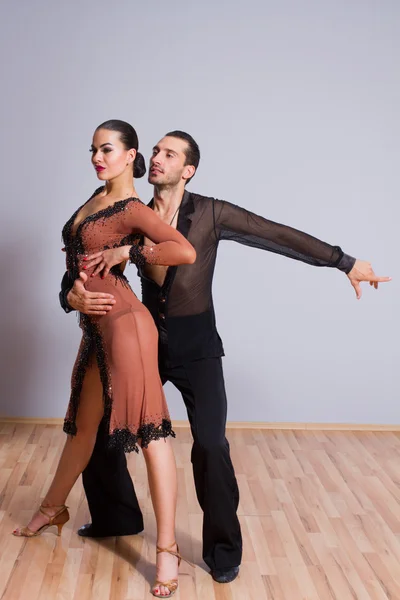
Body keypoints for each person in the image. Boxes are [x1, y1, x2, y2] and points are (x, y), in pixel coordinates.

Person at [60, 130, 391, 584]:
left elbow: (276, 234)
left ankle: (222, 550)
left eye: (169, 154)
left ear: (188, 170)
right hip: (147, 341)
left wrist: (345, 262)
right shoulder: (131, 212)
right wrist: (74, 295)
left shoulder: (212, 213)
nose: (157, 159)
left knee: (212, 445)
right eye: (154, 151)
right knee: (102, 420)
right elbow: (82, 262)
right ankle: (117, 516)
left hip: (197, 348)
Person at [14, 120, 197, 599]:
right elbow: (73, 270)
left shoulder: (133, 207)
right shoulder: (93, 201)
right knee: (84, 424)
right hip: (97, 328)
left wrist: (130, 249)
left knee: (151, 430)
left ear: (131, 155)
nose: (98, 157)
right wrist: (73, 297)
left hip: (126, 325)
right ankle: (54, 506)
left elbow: (184, 250)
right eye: (93, 149)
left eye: (107, 149)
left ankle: (168, 549)